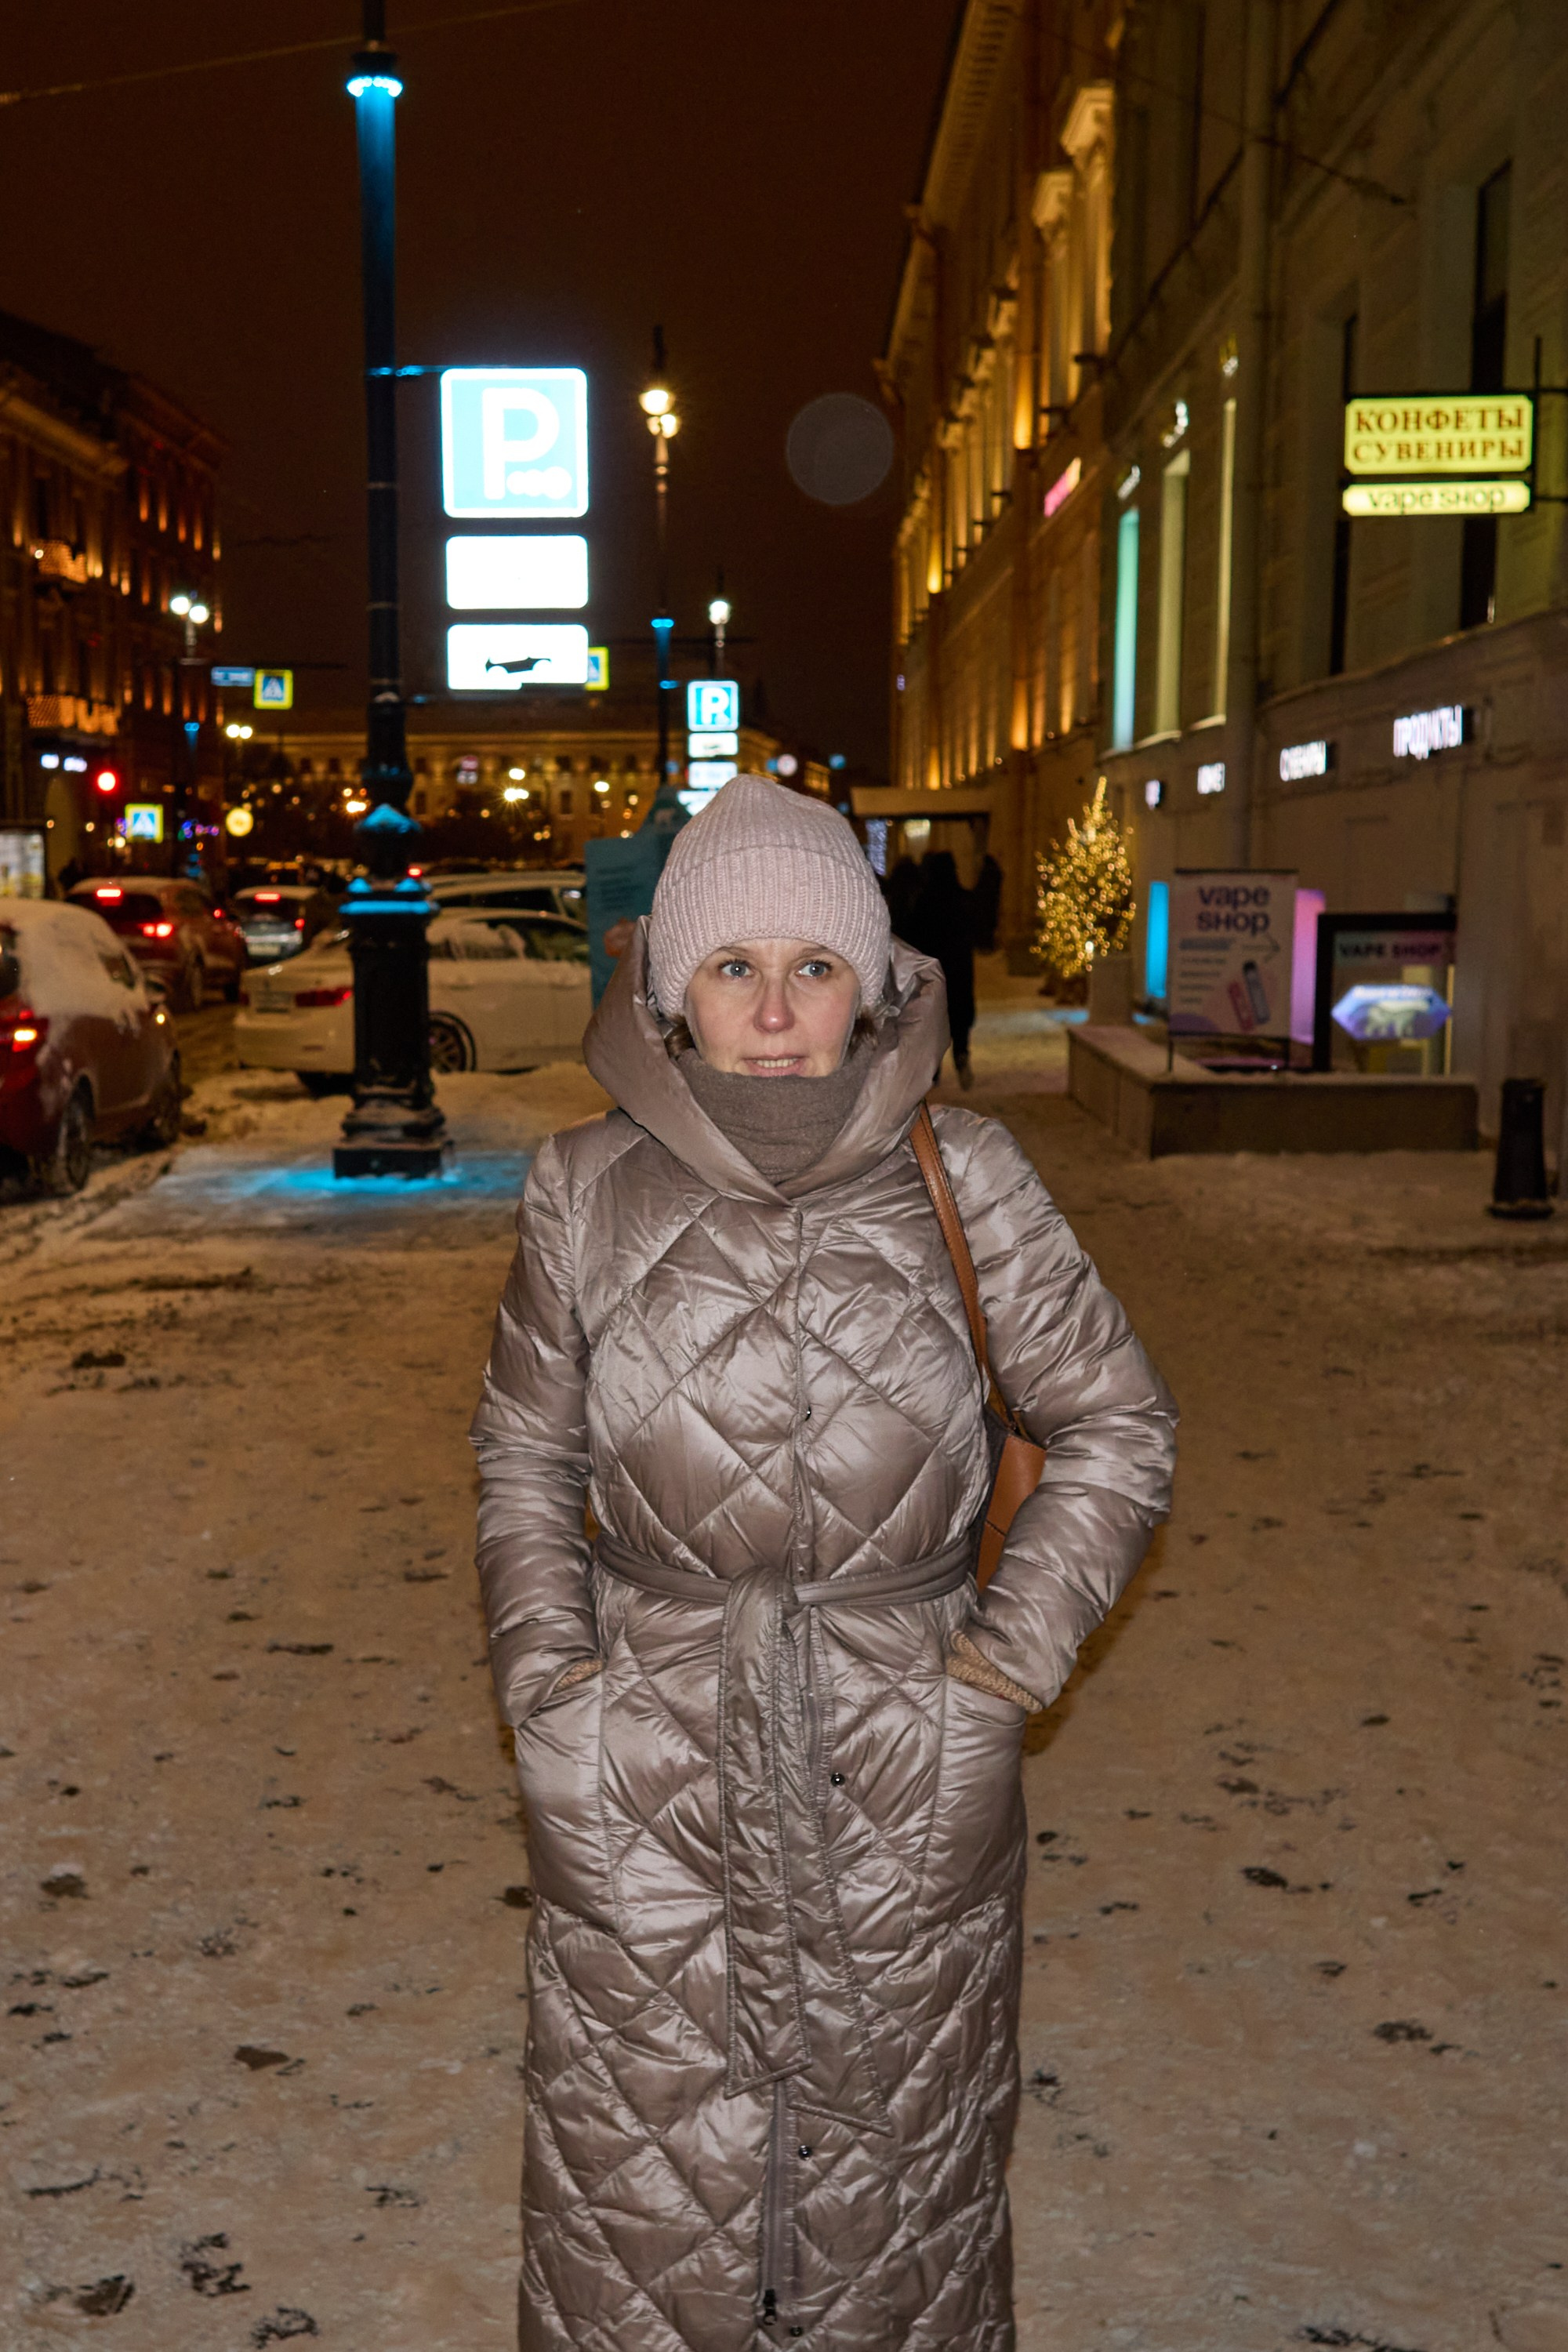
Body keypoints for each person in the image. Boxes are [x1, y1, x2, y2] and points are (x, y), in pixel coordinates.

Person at [472, 774, 1175, 2352]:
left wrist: (994, 1676)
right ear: (672, 989)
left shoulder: (966, 1175)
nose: (776, 1009)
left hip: (901, 1758)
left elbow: (1116, 1424)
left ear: (870, 988)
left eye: (815, 966)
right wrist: (554, 1688)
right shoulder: (584, 1189)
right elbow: (526, 1453)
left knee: (895, 2193)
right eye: (734, 967)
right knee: (643, 2189)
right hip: (649, 1748)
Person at [908, 846, 977, 1085]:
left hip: (934, 973)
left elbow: (915, 936)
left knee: (934, 1020)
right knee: (958, 1017)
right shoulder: (962, 900)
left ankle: (933, 1069)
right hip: (959, 970)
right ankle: (961, 1054)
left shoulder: (925, 902)